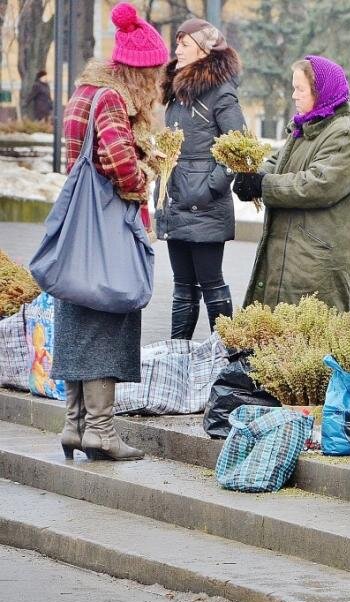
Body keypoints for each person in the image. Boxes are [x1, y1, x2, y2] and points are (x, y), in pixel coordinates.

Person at [53, 3, 168, 461]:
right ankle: (101, 430)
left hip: (79, 231)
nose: (157, 84)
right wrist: (146, 176)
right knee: (106, 316)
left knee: (78, 317)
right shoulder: (114, 100)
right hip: (108, 229)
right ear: (140, 71)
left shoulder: (85, 92)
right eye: (154, 74)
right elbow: (119, 164)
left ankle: (74, 424)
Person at [234, 55, 350, 312]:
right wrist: (252, 175)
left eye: (300, 89)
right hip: (291, 251)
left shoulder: (344, 133)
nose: (294, 96)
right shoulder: (306, 126)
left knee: (307, 336)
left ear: (321, 92)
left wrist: (264, 185)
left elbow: (317, 184)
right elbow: (279, 162)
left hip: (316, 256)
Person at [157, 18, 245, 339]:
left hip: (204, 205)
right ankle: (177, 355)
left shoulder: (220, 92)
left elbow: (239, 148)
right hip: (176, 199)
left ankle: (224, 354)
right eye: (177, 41)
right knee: (182, 286)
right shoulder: (177, 91)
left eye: (184, 42)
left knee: (210, 282)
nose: (176, 47)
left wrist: (208, 188)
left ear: (203, 48)